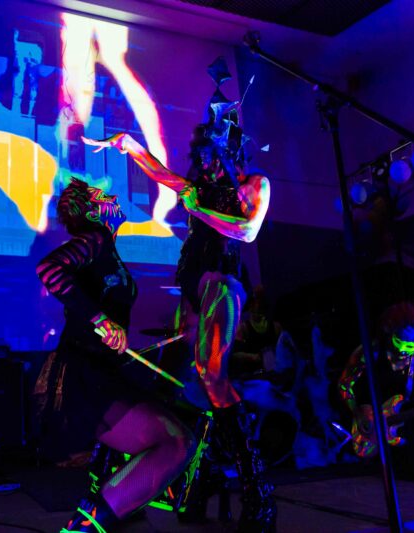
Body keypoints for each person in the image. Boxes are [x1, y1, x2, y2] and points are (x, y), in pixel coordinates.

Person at [83, 57, 275, 532]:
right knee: (183, 381)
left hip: (222, 281)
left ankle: (259, 491)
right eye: (202, 154)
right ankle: (194, 478)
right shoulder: (198, 187)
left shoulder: (253, 184)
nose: (205, 163)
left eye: (213, 153)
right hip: (193, 285)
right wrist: (129, 145)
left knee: (212, 375)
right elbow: (161, 173)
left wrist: (198, 209)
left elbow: (247, 231)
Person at [36, 177, 195, 532]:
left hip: (99, 368)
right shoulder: (95, 239)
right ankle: (84, 526)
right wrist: (100, 320)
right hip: (86, 371)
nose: (113, 196)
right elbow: (49, 269)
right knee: (176, 442)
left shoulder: (105, 247)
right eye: (102, 195)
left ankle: (98, 516)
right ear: (94, 211)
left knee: (167, 442)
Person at [338, 301, 414, 463]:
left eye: (410, 346)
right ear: (391, 333)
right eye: (398, 341)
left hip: (401, 424)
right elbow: (344, 385)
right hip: (367, 422)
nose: (402, 349)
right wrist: (358, 413)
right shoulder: (369, 352)